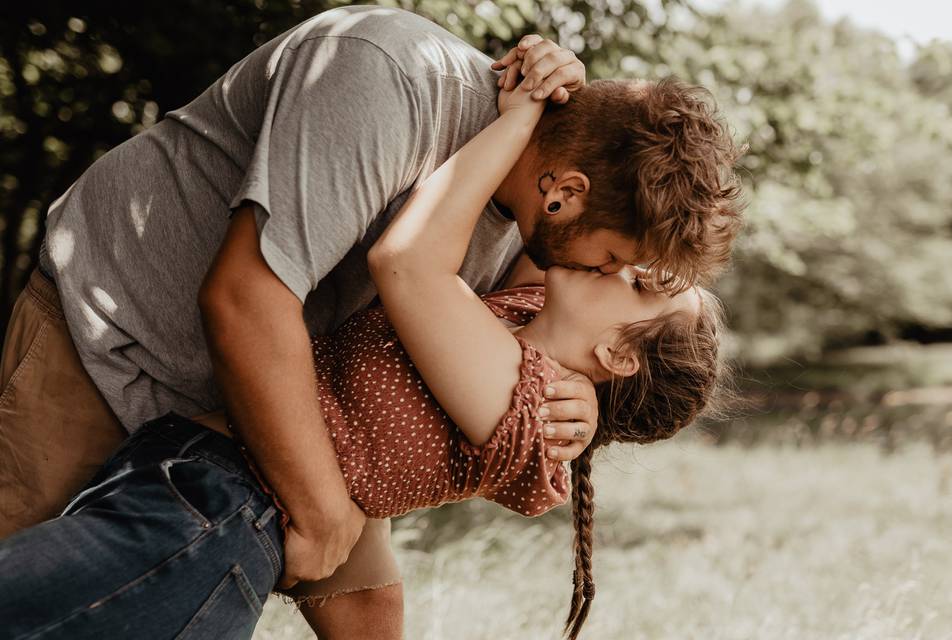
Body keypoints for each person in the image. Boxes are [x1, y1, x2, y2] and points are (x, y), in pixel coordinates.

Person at [0, 5, 742, 637]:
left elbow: (500, 347)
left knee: (361, 606)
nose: (602, 275)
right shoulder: (381, 77)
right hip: (115, 339)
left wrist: (582, 410)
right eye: (614, 257)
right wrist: (322, 514)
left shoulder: (538, 237)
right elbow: (244, 300)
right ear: (565, 195)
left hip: (260, 421)